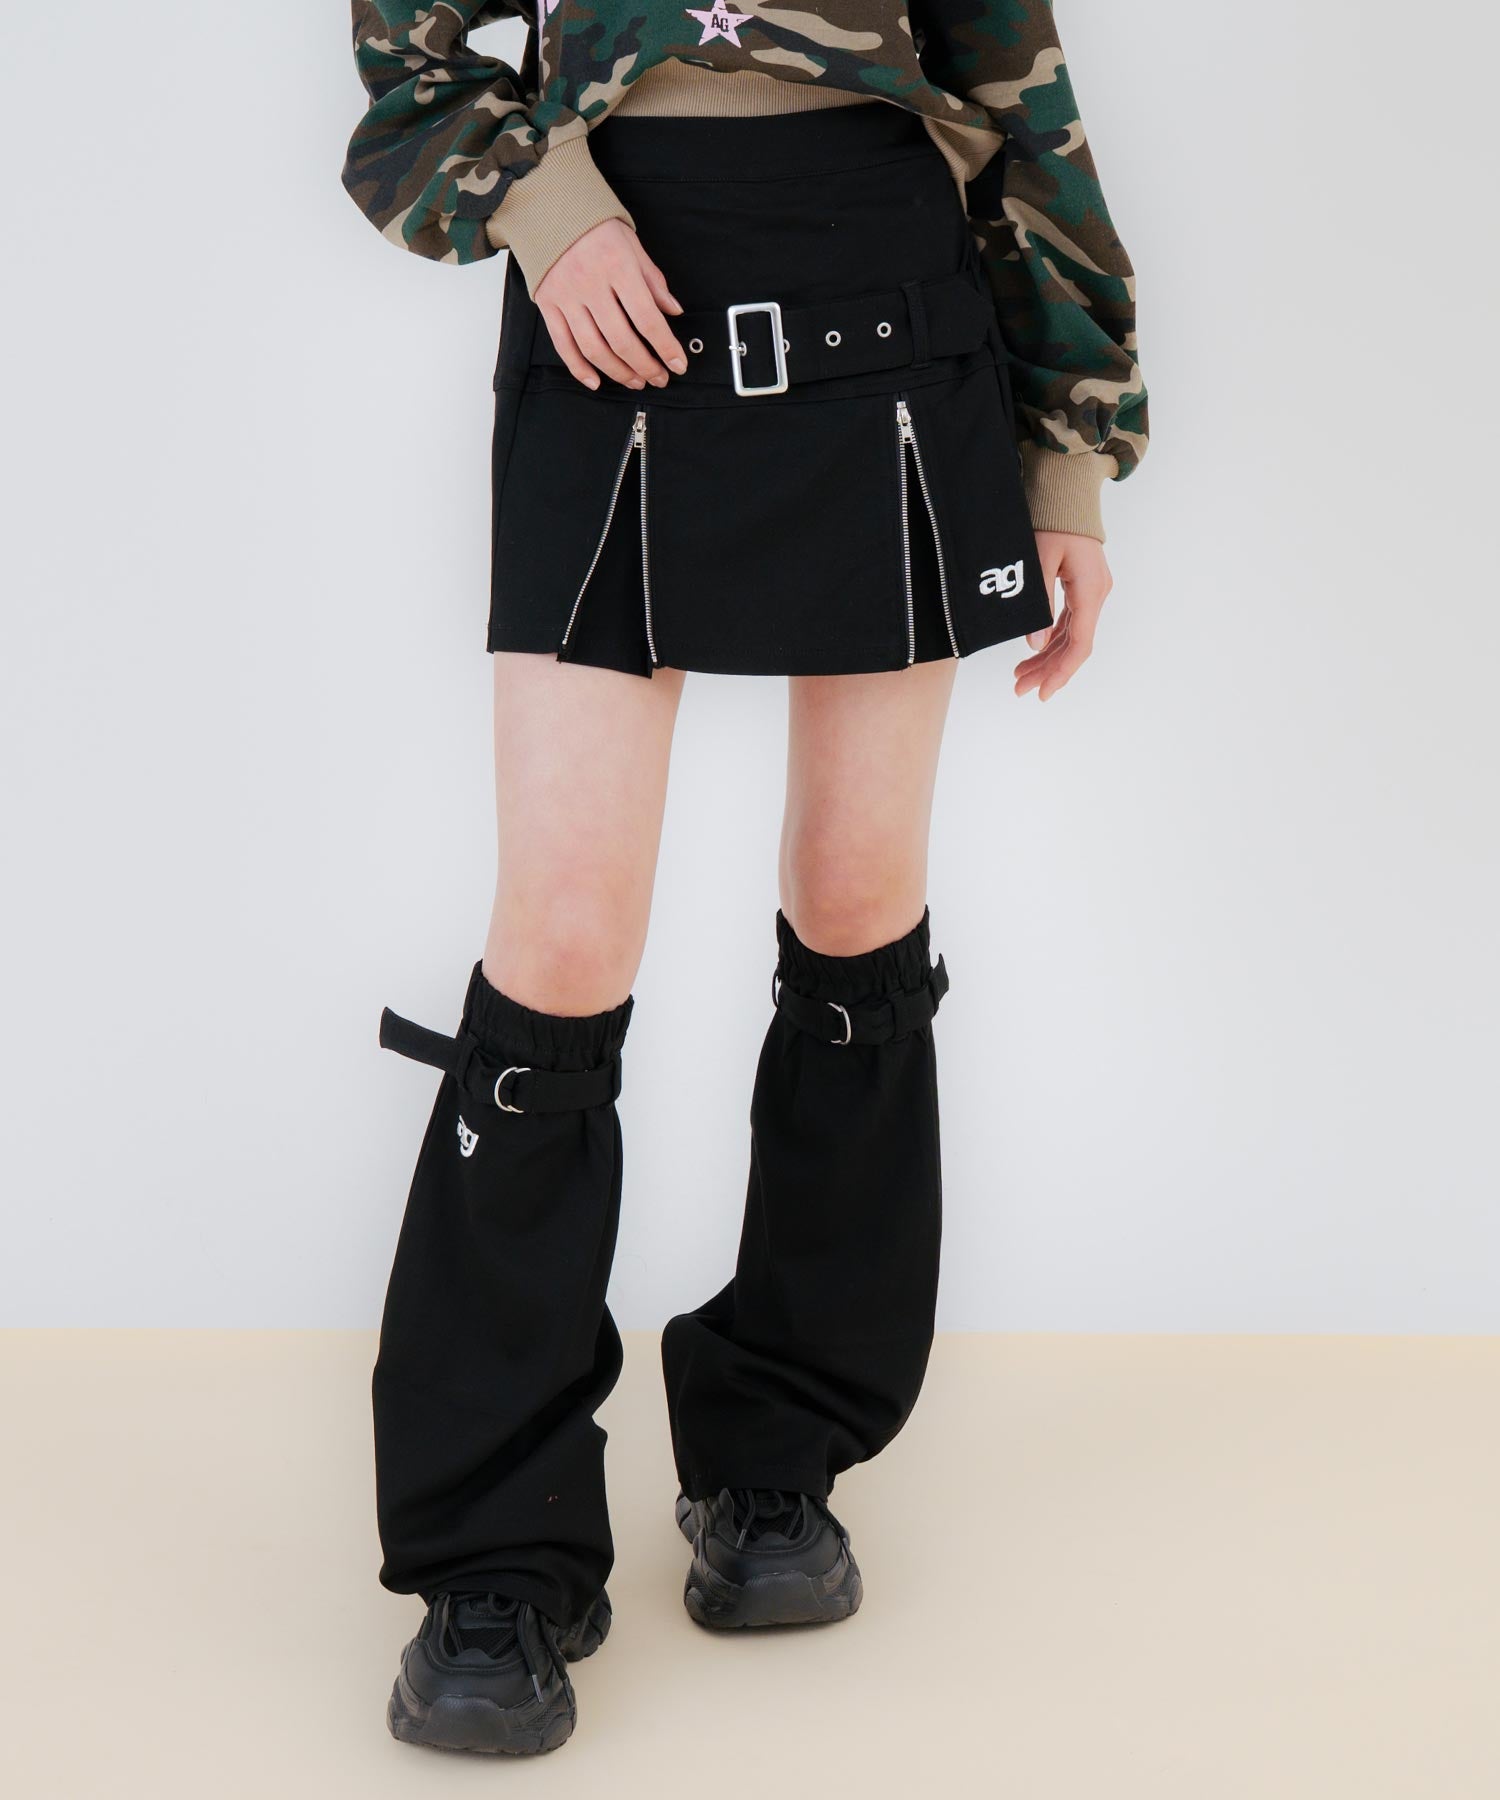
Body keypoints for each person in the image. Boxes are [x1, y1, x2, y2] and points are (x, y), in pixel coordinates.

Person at [342, 0, 1146, 1757]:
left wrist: (1070, 449)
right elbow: (410, 63)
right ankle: (494, 1553)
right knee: (563, 932)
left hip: (892, 309)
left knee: (859, 899)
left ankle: (779, 1452)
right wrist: (549, 207)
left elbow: (1018, 85)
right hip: (612, 306)